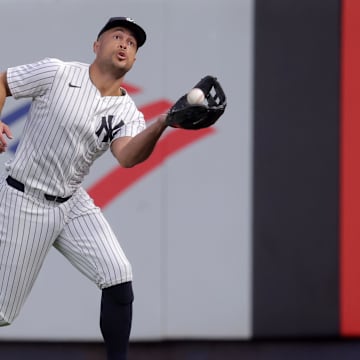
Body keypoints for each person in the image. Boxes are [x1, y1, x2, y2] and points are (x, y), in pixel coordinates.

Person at [0, 17, 169, 360]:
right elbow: (3, 81)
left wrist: (163, 123)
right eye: (117, 36)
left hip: (71, 202)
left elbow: (126, 157)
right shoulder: (58, 72)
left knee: (118, 276)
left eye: (132, 43)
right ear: (96, 45)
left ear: (134, 60)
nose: (124, 44)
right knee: (2, 312)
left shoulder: (126, 111)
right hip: (24, 196)